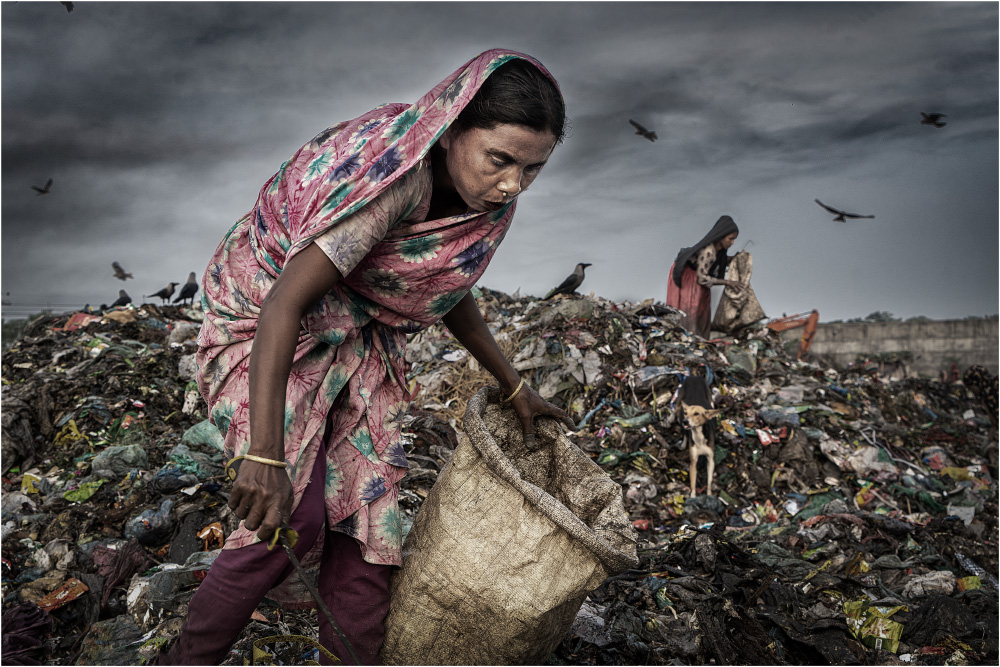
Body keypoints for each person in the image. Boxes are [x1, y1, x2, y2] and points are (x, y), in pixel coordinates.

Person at [162, 49, 572, 665]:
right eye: (500, 160)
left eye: (532, 169)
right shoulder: (394, 181)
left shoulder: (483, 207)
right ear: (453, 127)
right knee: (285, 517)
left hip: (356, 342)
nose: (513, 183)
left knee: (368, 529)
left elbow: (439, 287)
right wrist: (265, 453)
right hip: (266, 330)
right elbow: (284, 305)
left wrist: (514, 385)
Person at [666, 215, 745, 339]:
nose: (732, 242)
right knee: (690, 311)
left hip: (697, 278)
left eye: (734, 239)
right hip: (689, 278)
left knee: (701, 312)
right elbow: (702, 278)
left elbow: (716, 263)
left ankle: (699, 339)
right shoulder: (708, 252)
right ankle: (687, 338)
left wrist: (733, 259)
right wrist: (728, 282)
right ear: (721, 236)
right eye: (730, 239)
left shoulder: (717, 250)